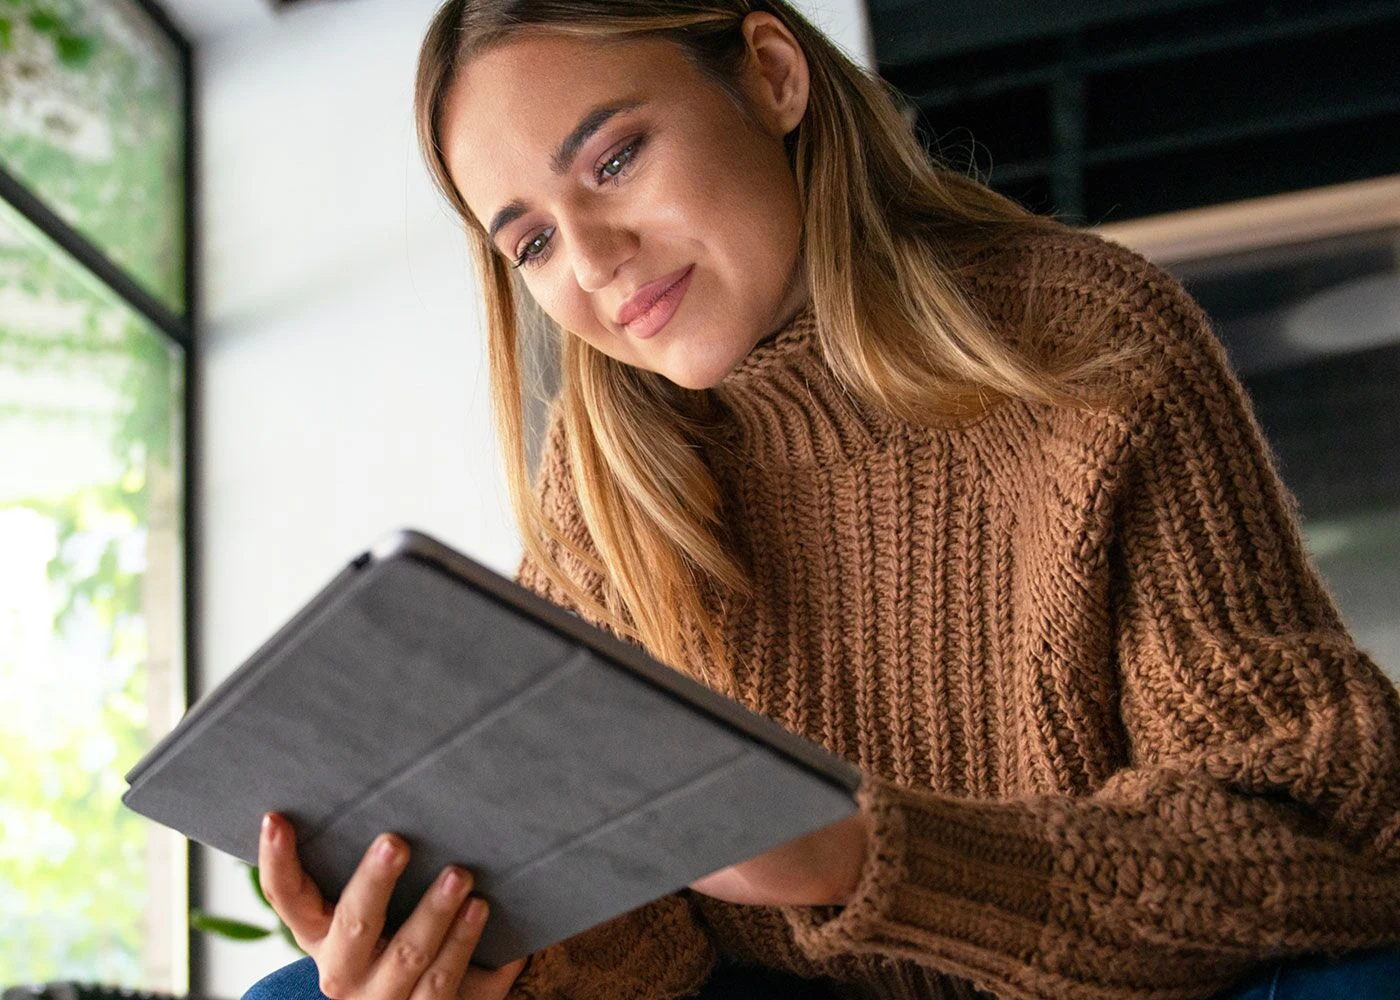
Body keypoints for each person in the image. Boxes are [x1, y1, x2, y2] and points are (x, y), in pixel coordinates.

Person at [243, 1, 1400, 998]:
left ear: (771, 72)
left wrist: (855, 853)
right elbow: (650, 944)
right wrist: (484, 960)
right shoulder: (606, 486)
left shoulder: (1086, 349)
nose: (591, 260)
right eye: (532, 241)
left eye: (611, 160)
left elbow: (1322, 842)